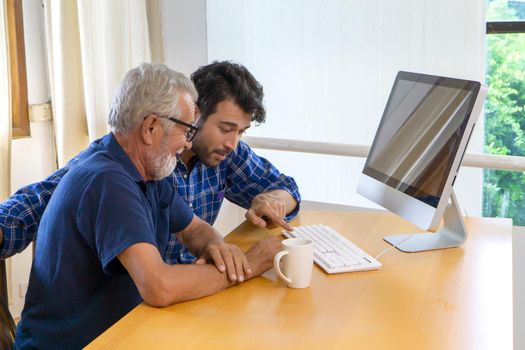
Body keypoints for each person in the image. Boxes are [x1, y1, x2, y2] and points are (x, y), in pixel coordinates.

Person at [14, 63, 281, 349]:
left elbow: (193, 229)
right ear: (151, 127)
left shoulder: (150, 170)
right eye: (187, 131)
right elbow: (159, 286)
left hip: (124, 332)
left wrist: (220, 249)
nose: (188, 143)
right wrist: (249, 265)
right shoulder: (108, 181)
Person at [0, 61, 300, 263]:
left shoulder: (226, 154)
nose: (233, 143)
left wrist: (273, 201)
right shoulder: (132, 163)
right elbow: (39, 200)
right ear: (195, 113)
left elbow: (286, 188)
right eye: (225, 128)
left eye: (241, 132)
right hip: (140, 302)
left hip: (187, 292)